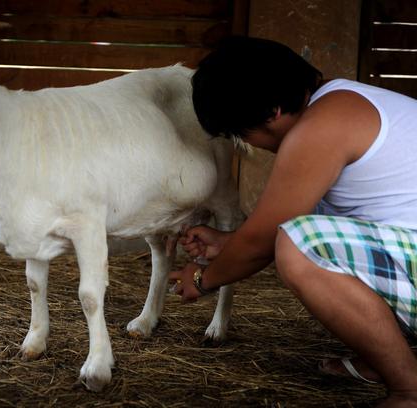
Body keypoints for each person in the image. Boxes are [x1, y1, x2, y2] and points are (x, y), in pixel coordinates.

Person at [168, 36, 417, 407]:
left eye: (241, 131)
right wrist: (229, 241)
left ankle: (408, 390)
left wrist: (204, 280)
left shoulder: (321, 127)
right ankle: (386, 360)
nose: (246, 142)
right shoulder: (342, 102)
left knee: (299, 246)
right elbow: (280, 223)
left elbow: (267, 240)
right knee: (303, 233)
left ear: (272, 112)